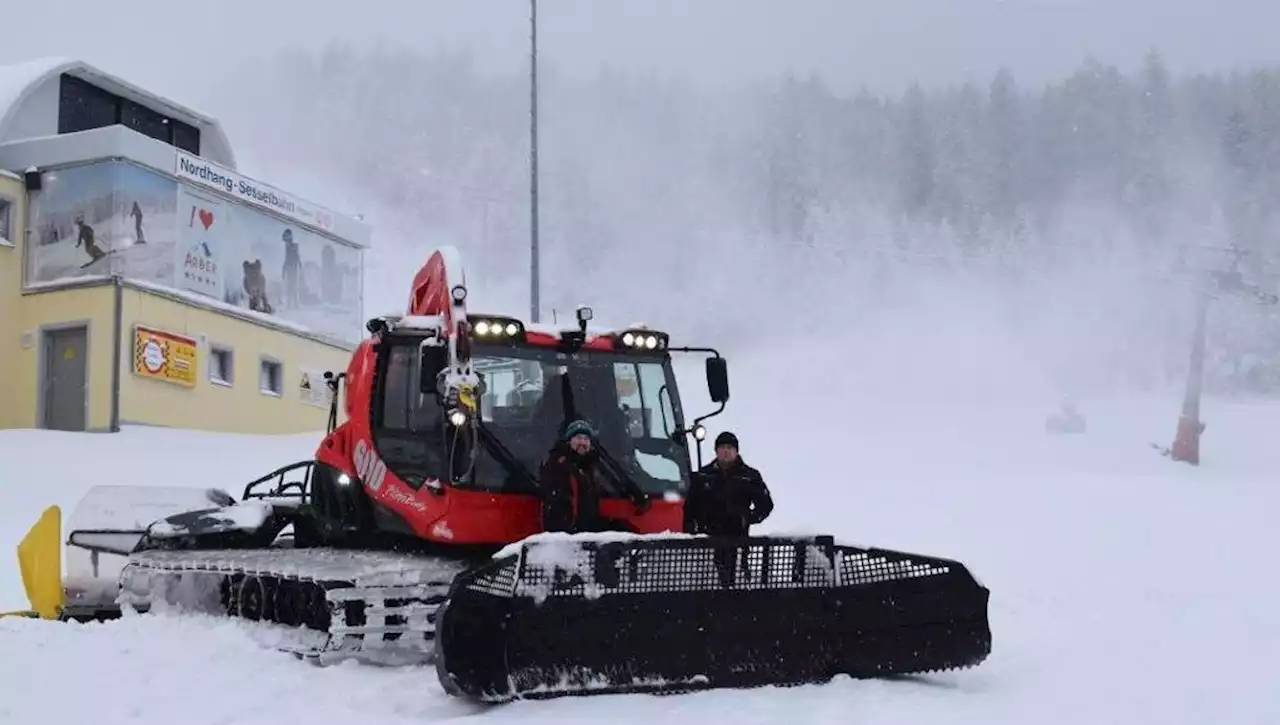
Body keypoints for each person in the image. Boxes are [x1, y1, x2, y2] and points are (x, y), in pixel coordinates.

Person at [538, 419, 651, 534]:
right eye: (578, 438)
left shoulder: (590, 464)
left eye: (586, 439)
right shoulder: (558, 466)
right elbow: (557, 508)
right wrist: (569, 536)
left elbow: (614, 476)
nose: (582, 442)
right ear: (569, 441)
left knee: (625, 533)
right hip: (570, 533)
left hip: (588, 526)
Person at [685, 431, 774, 536]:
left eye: (730, 447)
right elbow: (690, 507)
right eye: (722, 447)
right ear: (716, 451)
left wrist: (745, 518)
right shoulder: (703, 475)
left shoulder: (749, 477)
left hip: (738, 540)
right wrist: (692, 529)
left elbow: (766, 505)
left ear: (736, 451)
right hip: (707, 541)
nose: (726, 451)